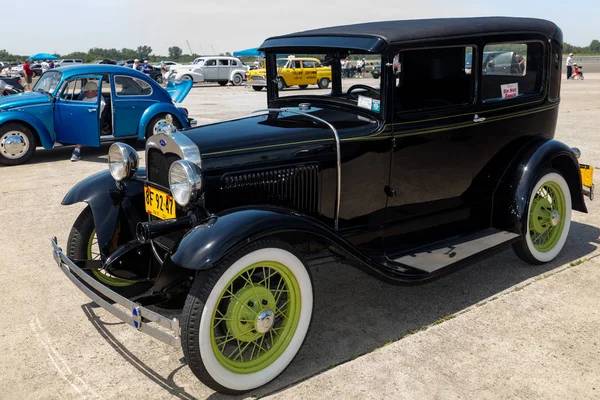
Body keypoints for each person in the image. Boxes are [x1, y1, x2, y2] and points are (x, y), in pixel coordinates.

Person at [71, 81, 106, 161]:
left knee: (82, 127)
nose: (84, 92)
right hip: (82, 119)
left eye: (86, 91)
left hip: (92, 123)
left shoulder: (99, 100)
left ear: (92, 91)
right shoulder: (86, 98)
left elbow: (95, 111)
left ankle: (76, 151)